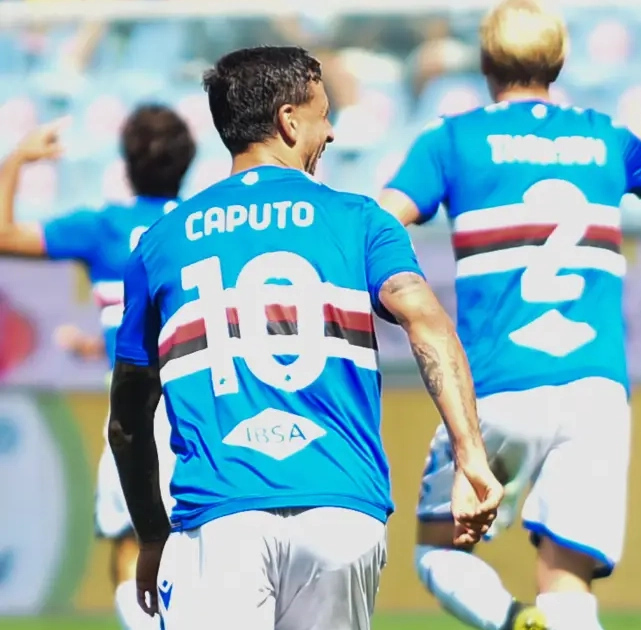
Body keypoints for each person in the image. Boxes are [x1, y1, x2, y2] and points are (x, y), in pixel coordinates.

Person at [107, 46, 501, 630]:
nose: (332, 132)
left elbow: (128, 419)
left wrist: (150, 536)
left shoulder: (160, 243)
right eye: (324, 114)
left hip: (221, 518)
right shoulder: (361, 220)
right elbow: (427, 321)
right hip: (342, 514)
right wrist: (470, 454)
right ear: (289, 121)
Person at [377, 2, 641, 629]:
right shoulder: (605, 136)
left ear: (485, 61)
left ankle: (513, 623)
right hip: (596, 391)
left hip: (496, 385)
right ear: (559, 61)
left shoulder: (452, 139)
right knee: (567, 579)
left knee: (438, 550)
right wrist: (640, 133)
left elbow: (380, 222)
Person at [0, 105, 195, 630]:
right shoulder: (201, 224)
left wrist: (17, 159)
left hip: (140, 409)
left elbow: (3, 234)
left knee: (131, 548)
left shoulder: (105, 227)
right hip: (203, 403)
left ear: (127, 163)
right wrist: (96, 346)